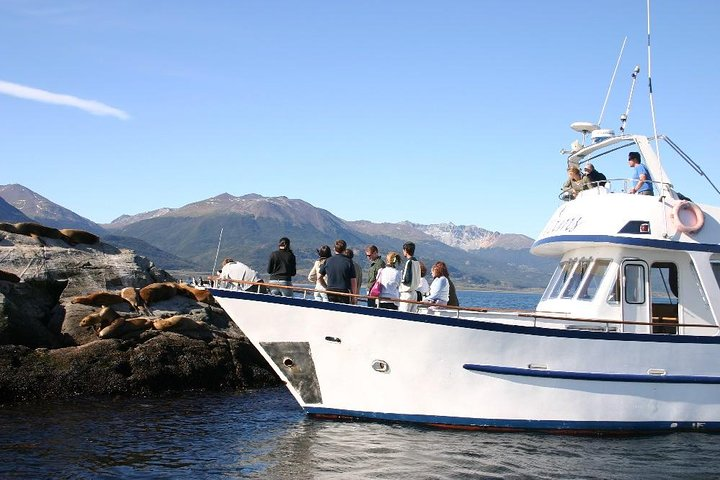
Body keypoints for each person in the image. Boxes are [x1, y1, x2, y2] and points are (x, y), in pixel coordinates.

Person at [319, 239, 356, 304]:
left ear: (334, 249)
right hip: (344, 292)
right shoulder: (349, 262)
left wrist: (326, 286)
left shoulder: (328, 261)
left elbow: (319, 278)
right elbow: (353, 281)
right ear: (345, 249)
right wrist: (354, 296)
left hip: (331, 291)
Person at [398, 241, 421, 312]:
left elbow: (406, 279)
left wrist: (400, 281)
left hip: (406, 293)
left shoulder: (409, 262)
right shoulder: (417, 262)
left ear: (405, 250)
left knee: (403, 315)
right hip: (414, 293)